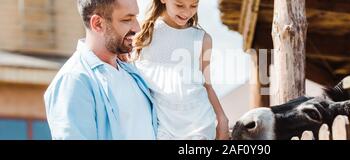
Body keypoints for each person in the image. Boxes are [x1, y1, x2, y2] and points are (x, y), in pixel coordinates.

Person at [44, 0, 157, 140]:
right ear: (98, 24)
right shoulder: (74, 80)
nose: (137, 28)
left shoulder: (131, 72)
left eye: (135, 17)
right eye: (127, 19)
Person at [129, 0, 229, 140]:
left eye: (194, 5)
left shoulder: (203, 39)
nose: (187, 12)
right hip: (162, 125)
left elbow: (207, 85)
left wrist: (222, 118)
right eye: (179, 5)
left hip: (199, 123)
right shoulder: (142, 34)